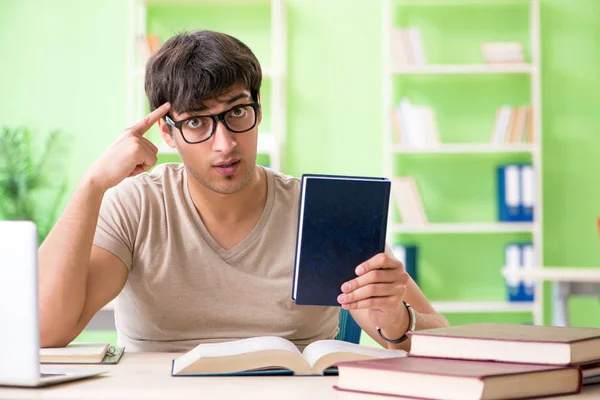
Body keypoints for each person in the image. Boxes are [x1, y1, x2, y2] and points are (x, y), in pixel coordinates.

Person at [38, 30, 448, 353]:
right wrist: (91, 186)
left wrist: (395, 320)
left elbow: (443, 339)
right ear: (166, 131)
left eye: (237, 112)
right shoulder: (136, 205)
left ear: (259, 110)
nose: (225, 145)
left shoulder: (321, 210)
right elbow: (45, 332)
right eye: (197, 122)